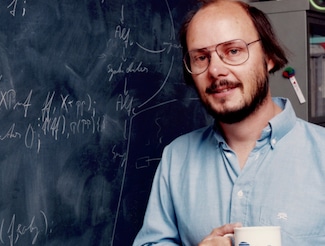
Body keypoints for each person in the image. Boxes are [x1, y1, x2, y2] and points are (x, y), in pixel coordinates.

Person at [133, 0, 325, 245]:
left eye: (233, 51)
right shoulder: (177, 157)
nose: (215, 70)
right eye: (201, 57)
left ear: (268, 57)